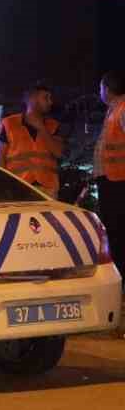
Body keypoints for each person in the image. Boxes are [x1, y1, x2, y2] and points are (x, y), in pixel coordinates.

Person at [0, 84, 62, 196]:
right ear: (32, 99)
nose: (50, 102)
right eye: (46, 98)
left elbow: (58, 152)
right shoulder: (9, 123)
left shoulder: (53, 125)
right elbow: (0, 158)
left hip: (48, 189)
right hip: (18, 186)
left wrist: (41, 127)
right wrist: (4, 184)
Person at [94, 71, 125, 271]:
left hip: (119, 182)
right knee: (114, 232)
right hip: (112, 180)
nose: (99, 92)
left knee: (118, 232)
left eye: (100, 88)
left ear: (107, 88)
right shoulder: (114, 110)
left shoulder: (122, 109)